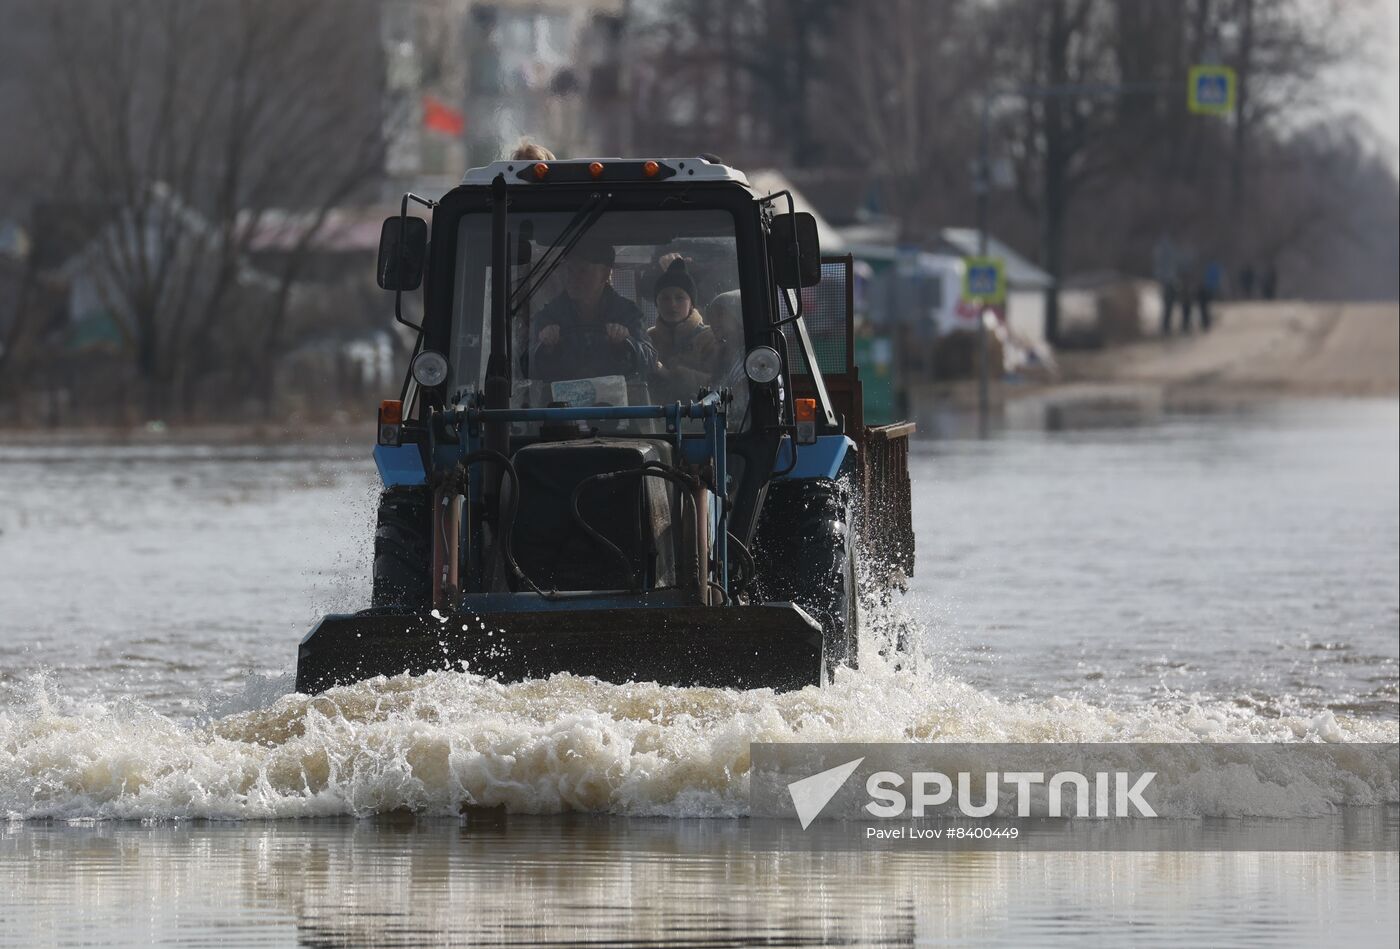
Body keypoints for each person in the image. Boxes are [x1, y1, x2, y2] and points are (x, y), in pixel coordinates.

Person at [530, 238, 656, 381]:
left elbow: (650, 363)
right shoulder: (549, 316)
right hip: (560, 401)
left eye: (583, 271)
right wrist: (546, 348)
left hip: (620, 400)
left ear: (605, 273)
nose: (572, 277)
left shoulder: (628, 314)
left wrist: (627, 343)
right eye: (569, 270)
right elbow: (526, 369)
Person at [648, 258, 723, 401]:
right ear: (656, 304)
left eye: (680, 298)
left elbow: (717, 385)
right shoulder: (648, 339)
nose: (672, 305)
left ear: (692, 304)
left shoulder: (710, 339)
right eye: (665, 298)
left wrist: (670, 375)